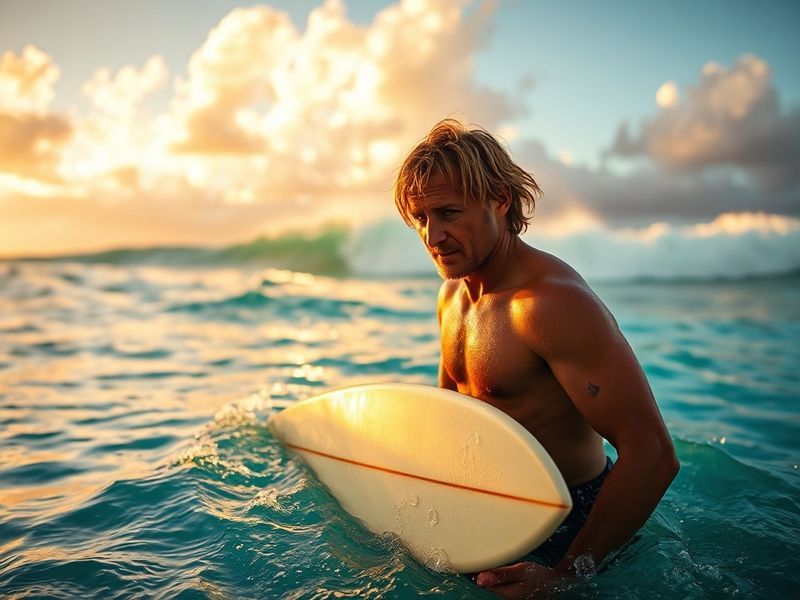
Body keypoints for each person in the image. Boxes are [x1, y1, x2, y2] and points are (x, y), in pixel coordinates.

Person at [393, 119, 679, 597]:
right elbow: (453, 418)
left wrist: (566, 575)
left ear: (500, 200)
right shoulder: (451, 296)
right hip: (489, 507)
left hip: (568, 522)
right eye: (420, 218)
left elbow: (654, 453)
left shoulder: (548, 306)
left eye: (447, 213)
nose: (432, 236)